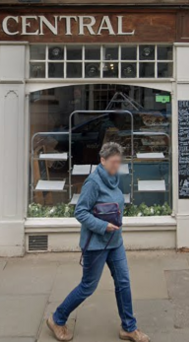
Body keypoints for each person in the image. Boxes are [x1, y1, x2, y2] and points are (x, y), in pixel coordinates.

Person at [47, 142, 150, 342]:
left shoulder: (114, 178)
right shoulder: (93, 183)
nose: (116, 166)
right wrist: (103, 226)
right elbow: (80, 212)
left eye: (118, 162)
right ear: (102, 161)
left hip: (115, 241)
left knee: (123, 282)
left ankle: (129, 327)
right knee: (88, 286)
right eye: (113, 162)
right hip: (96, 244)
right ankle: (57, 319)